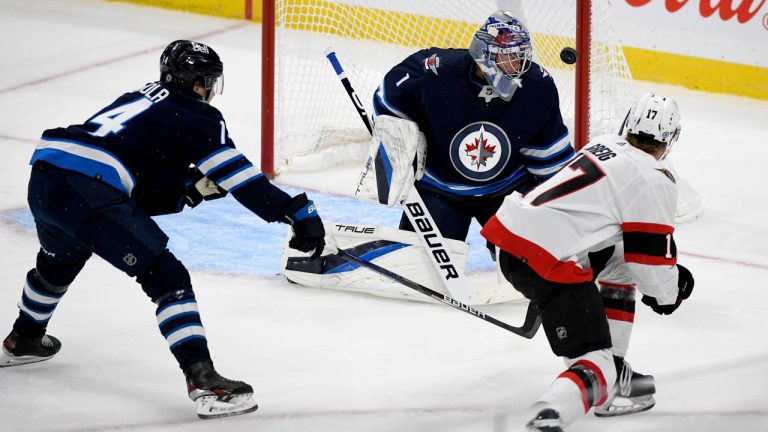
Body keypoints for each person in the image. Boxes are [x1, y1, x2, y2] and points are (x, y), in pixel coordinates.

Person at [0, 40, 325, 419]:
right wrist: (295, 212)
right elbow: (243, 180)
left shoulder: (142, 97)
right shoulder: (199, 116)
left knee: (60, 260)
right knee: (166, 275)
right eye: (208, 82)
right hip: (88, 187)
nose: (210, 91)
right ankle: (205, 383)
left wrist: (188, 191)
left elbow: (132, 186)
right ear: (195, 83)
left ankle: (24, 338)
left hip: (47, 178)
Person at [480, 91, 694, 431]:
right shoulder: (653, 177)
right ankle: (552, 413)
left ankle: (616, 363)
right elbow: (651, 264)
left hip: (507, 233)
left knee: (621, 262)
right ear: (669, 141)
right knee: (597, 364)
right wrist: (671, 292)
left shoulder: (604, 144)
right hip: (544, 259)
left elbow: (630, 258)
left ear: (628, 126)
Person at [371, 10, 575, 254]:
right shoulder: (435, 73)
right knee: (420, 268)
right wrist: (397, 147)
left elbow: (549, 159)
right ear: (484, 55)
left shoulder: (536, 87)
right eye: (510, 57)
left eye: (521, 57)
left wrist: (566, 207)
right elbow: (388, 101)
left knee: (537, 262)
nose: (518, 65)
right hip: (440, 189)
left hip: (508, 192)